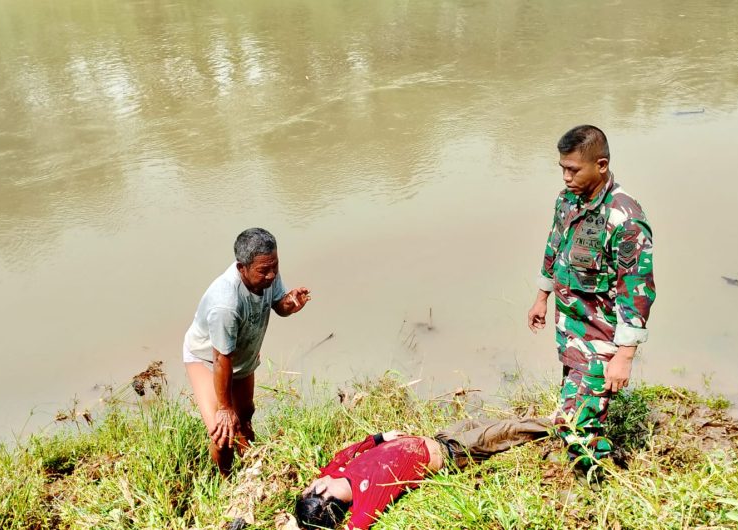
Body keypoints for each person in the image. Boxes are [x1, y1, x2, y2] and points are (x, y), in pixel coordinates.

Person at [526, 125, 656, 472]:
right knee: (580, 409)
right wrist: (542, 297)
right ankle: (595, 462)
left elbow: (637, 289)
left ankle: (592, 485)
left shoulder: (625, 219)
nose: (566, 177)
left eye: (573, 169)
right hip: (570, 327)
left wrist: (625, 355)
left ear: (601, 165)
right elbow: (554, 245)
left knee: (576, 421)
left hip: (601, 337)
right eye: (562, 169)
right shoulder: (567, 200)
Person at [184, 228, 311, 475]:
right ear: (242, 268)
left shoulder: (267, 271)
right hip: (208, 361)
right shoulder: (226, 304)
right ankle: (227, 480)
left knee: (246, 414)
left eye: (275, 266)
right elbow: (221, 359)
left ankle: (251, 463)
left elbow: (277, 305)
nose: (272, 275)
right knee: (223, 436)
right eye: (264, 270)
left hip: (240, 357)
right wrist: (224, 408)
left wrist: (288, 304)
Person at [295, 418, 549, 529]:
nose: (312, 481)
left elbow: (345, 453)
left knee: (482, 422)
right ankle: (555, 423)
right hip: (453, 453)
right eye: (309, 488)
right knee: (506, 432)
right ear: (321, 492)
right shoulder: (367, 501)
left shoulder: (335, 473)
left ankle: (535, 421)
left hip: (439, 436)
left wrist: (380, 438)